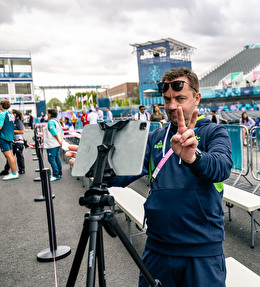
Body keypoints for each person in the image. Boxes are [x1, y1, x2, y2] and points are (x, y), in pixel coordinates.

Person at [67, 67, 233, 287]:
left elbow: (221, 168)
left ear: (197, 98)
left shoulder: (214, 132)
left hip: (202, 251)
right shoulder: (155, 137)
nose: (172, 106)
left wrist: (194, 157)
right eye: (167, 99)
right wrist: (95, 167)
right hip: (157, 248)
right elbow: (124, 175)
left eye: (180, 98)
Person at [0, 109, 26, 175]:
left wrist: (11, 130)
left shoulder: (18, 121)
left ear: (14, 114)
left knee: (18, 156)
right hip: (12, 140)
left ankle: (21, 170)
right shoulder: (12, 121)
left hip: (18, 141)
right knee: (10, 156)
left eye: (11, 113)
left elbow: (22, 131)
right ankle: (7, 169)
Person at [0, 100, 19, 180]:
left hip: (3, 137)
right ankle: (15, 172)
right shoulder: (10, 114)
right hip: (10, 136)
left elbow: (0, 127)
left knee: (9, 156)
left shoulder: (2, 114)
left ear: (1, 105)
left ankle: (14, 173)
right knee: (11, 155)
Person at [43, 108, 64, 182]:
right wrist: (61, 140)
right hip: (56, 143)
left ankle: (55, 174)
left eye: (47, 113)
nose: (47, 115)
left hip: (51, 144)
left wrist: (59, 140)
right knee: (56, 158)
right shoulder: (57, 121)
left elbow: (54, 132)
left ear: (50, 114)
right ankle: (59, 173)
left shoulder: (50, 122)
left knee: (51, 159)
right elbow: (61, 131)